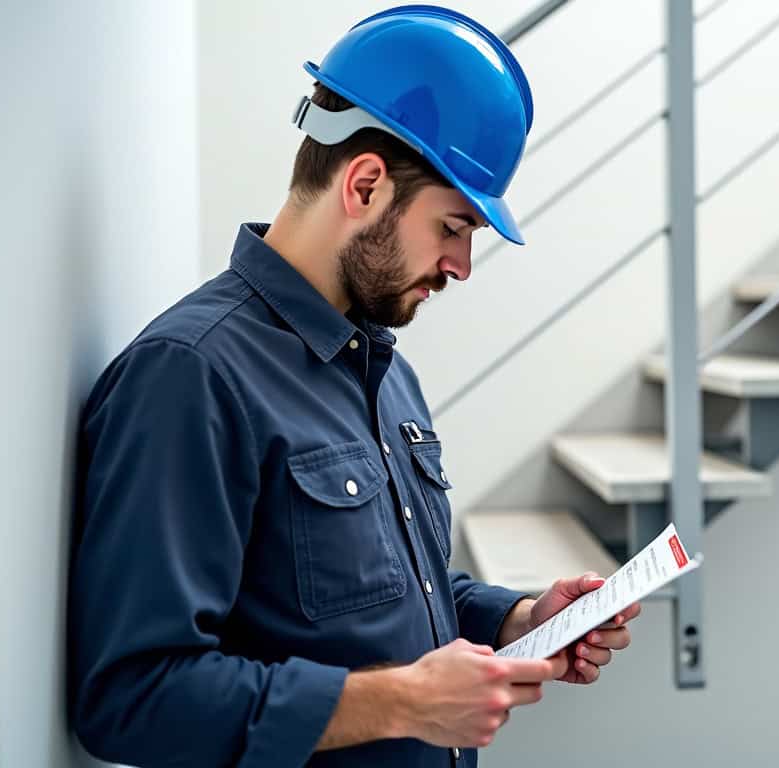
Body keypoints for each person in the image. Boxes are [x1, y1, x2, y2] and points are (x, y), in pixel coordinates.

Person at [67, 6, 639, 766]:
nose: (462, 266)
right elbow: (131, 698)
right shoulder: (191, 376)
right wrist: (400, 702)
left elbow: (383, 602)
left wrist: (520, 618)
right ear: (365, 185)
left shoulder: (385, 370)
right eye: (455, 227)